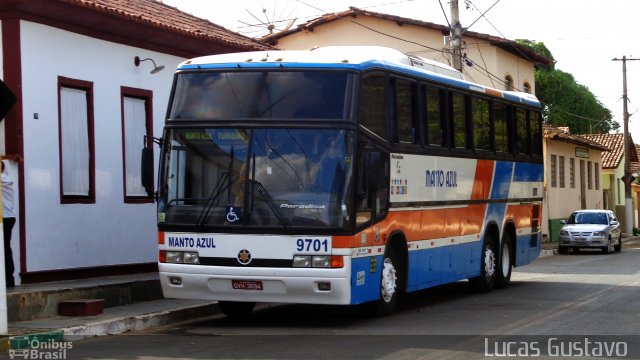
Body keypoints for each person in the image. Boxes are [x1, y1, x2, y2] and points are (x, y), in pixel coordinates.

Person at [2, 160, 16, 287]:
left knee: (5, 247)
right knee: (6, 246)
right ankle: (9, 278)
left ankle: (8, 278)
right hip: (9, 217)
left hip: (5, 218)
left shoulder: (2, 179)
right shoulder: (7, 179)